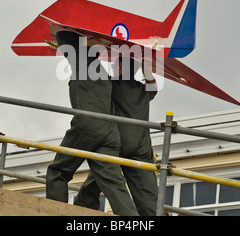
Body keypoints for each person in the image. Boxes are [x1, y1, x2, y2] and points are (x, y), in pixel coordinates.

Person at [46, 31, 138, 216]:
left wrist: (62, 36)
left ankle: (55, 213)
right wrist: (92, 43)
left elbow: (65, 38)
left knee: (58, 171)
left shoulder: (83, 61)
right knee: (113, 183)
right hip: (110, 133)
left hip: (88, 126)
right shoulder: (100, 71)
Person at [75, 56, 159, 215]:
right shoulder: (143, 90)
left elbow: (91, 81)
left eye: (114, 65)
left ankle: (81, 210)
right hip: (142, 146)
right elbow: (153, 85)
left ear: (120, 68)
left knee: (98, 178)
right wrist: (146, 68)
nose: (112, 68)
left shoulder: (111, 84)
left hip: (118, 141)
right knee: (146, 190)